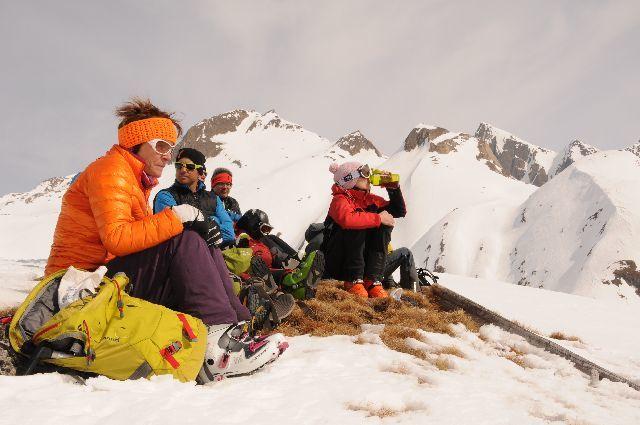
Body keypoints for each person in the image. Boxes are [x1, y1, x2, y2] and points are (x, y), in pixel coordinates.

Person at [45, 98, 286, 382]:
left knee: (201, 243)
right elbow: (117, 238)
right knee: (185, 241)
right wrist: (180, 216)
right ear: (136, 142)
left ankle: (238, 326)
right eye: (161, 146)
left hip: (103, 279)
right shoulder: (111, 170)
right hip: (79, 287)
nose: (167, 156)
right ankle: (217, 350)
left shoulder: (133, 178)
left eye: (170, 148)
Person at [322, 162, 406, 298]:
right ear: (350, 179)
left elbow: (398, 211)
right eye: (365, 174)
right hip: (338, 262)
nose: (369, 178)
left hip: (363, 263)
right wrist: (378, 218)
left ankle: (372, 281)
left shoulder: (370, 200)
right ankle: (353, 280)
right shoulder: (340, 199)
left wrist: (393, 188)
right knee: (359, 221)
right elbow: (347, 220)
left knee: (383, 226)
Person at [153, 148, 236, 247]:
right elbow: (174, 234)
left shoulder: (214, 198)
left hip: (213, 254)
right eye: (179, 166)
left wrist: (202, 229)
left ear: (200, 171)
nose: (183, 170)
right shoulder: (165, 196)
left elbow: (230, 234)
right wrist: (214, 222)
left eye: (190, 167)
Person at [236, 209, 325, 300]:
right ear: (253, 225)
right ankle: (295, 285)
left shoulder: (259, 241)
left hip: (267, 271)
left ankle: (298, 271)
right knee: (266, 269)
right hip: (257, 274)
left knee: (272, 240)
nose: (265, 233)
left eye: (267, 229)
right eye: (264, 229)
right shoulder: (241, 240)